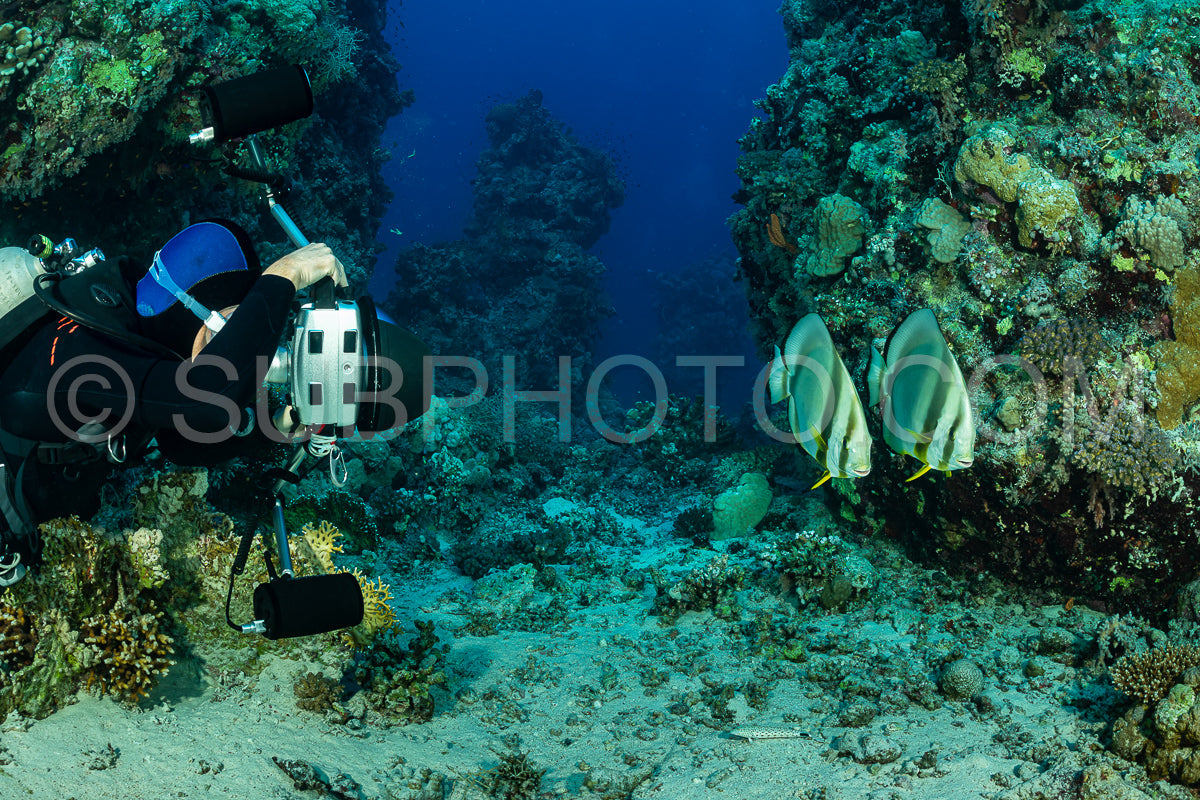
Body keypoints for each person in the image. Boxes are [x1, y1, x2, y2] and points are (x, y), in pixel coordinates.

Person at [0, 220, 350, 586]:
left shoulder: (137, 338)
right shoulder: (78, 352)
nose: (235, 348)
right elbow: (202, 404)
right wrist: (285, 275)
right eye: (230, 326)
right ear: (189, 306)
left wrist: (275, 423)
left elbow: (180, 442)